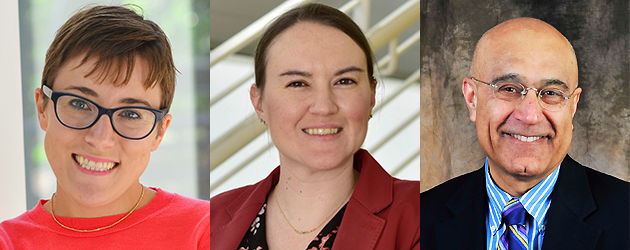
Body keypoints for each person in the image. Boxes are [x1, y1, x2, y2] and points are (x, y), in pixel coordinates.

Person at [210, 3, 419, 249]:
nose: (324, 106)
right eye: (298, 83)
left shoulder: (426, 215)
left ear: (372, 96)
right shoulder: (211, 217)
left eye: (344, 81)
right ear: (259, 102)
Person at [0, 5, 209, 249]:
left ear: (159, 132)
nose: (100, 138)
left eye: (130, 114)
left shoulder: (207, 231)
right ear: (42, 107)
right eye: (79, 104)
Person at [420, 17, 629, 250]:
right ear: (472, 99)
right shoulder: (423, 215)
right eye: (508, 89)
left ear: (573, 106)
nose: (530, 116)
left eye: (551, 93)